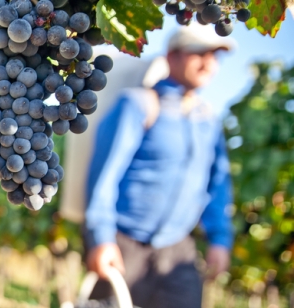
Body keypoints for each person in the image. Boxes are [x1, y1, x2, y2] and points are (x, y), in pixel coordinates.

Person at [85, 25, 236, 307]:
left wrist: (219, 239)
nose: (208, 63)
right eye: (199, 54)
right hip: (123, 244)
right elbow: (103, 176)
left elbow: (218, 186)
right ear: (172, 57)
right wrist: (101, 237)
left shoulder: (209, 120)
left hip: (178, 249)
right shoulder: (138, 104)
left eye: (215, 56)